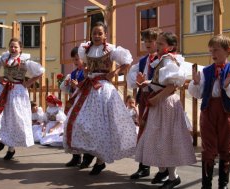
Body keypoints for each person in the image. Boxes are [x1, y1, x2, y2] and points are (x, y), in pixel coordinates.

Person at [63, 21, 137, 175]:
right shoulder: (85, 49)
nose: (96, 36)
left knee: (102, 124)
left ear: (105, 35)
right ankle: (89, 154)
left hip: (104, 89)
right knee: (81, 121)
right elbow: (86, 68)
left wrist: (115, 73)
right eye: (94, 33)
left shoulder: (111, 49)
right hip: (89, 87)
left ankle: (100, 160)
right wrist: (87, 72)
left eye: (99, 33)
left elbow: (127, 62)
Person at [135, 32, 197, 189]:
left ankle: (173, 177)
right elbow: (161, 82)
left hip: (165, 103)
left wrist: (157, 98)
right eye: (159, 43)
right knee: (156, 138)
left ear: (170, 46)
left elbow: (171, 86)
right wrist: (146, 83)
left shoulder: (169, 59)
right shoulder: (163, 59)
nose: (158, 45)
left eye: (161, 43)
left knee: (167, 139)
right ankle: (163, 172)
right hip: (160, 103)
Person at [188, 34, 230, 189]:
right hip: (208, 111)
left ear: (228, 51)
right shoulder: (206, 71)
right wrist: (195, 83)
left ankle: (223, 184)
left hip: (227, 113)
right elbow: (198, 93)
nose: (213, 54)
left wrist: (228, 85)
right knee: (208, 147)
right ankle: (206, 184)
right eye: (211, 51)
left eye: (216, 50)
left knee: (227, 146)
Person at [0, 38, 45, 160]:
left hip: (18, 91)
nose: (13, 49)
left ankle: (11, 149)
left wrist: (28, 83)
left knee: (14, 118)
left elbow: (40, 72)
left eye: (15, 47)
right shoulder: (4, 58)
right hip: (4, 88)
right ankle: (2, 139)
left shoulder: (25, 60)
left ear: (20, 48)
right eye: (11, 46)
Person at [127, 27, 161, 181]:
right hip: (144, 98)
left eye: (151, 40)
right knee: (143, 132)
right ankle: (143, 167)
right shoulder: (142, 61)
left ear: (158, 42)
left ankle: (164, 169)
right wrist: (138, 81)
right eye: (145, 40)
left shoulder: (164, 59)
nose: (147, 43)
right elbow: (132, 80)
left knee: (159, 133)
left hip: (159, 99)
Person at [60, 46, 94, 168]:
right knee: (72, 126)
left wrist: (77, 86)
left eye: (77, 59)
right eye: (74, 60)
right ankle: (76, 156)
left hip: (85, 104)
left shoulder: (88, 72)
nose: (75, 62)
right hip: (76, 103)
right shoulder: (74, 73)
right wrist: (68, 84)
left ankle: (87, 157)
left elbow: (88, 87)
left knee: (83, 127)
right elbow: (67, 90)